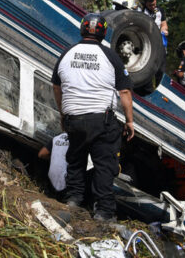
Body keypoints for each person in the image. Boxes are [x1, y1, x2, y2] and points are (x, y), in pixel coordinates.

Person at [52, 13, 134, 221]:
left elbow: (56, 86)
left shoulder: (67, 54)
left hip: (74, 119)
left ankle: (73, 200)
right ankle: (104, 212)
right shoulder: (110, 56)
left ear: (82, 29)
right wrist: (130, 121)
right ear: (104, 32)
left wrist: (64, 113)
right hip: (101, 121)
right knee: (104, 164)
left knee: (76, 160)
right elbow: (124, 92)